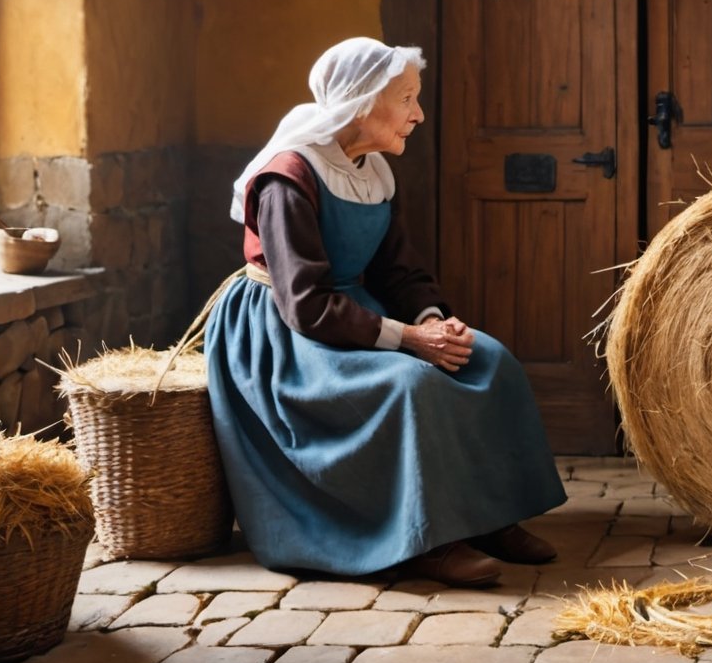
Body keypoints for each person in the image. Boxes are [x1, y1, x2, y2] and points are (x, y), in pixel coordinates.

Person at [205, 36, 566, 588]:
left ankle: (490, 518)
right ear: (362, 101)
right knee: (410, 385)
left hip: (356, 311)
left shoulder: (373, 170)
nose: (417, 114)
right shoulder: (288, 178)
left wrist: (429, 321)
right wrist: (407, 342)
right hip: (289, 336)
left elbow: (399, 269)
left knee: (489, 361)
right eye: (407, 99)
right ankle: (425, 540)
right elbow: (304, 303)